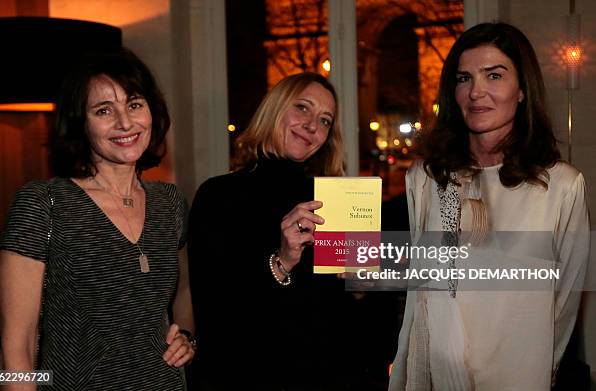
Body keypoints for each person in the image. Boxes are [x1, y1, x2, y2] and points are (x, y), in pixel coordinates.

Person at [389, 22, 590, 390]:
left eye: (494, 75)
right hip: (441, 376)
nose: (476, 92)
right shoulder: (429, 178)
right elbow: (426, 285)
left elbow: (565, 304)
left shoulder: (561, 186)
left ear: (522, 90)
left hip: (521, 374)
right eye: (464, 78)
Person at [0, 48, 195, 390]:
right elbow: (16, 347)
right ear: (80, 123)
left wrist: (188, 336)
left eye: (134, 104)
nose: (125, 122)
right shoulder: (44, 203)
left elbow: (185, 289)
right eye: (104, 110)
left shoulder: (171, 203)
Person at [187, 72, 373, 390]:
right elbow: (215, 310)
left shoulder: (337, 196)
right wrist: (282, 261)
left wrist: (362, 281)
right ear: (274, 109)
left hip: (331, 374)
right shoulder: (219, 195)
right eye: (302, 108)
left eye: (325, 120)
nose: (313, 126)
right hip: (253, 374)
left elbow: (348, 311)